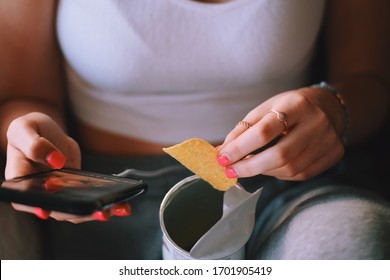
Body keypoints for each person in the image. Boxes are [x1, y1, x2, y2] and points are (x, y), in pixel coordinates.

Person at [0, 0, 389, 259]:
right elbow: (24, 93)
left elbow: (370, 79)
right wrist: (30, 141)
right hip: (105, 198)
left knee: (351, 241)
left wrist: (334, 110)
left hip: (278, 195)